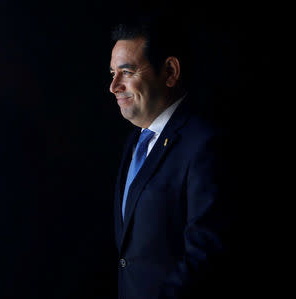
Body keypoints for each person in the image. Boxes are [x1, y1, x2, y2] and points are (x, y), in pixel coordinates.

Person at [110, 13, 238, 299]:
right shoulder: (134, 141)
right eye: (112, 74)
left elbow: (206, 254)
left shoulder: (205, 144)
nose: (114, 86)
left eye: (127, 72)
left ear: (169, 71)